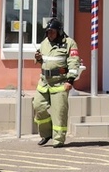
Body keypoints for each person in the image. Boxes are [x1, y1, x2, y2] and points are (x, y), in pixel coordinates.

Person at [33, 16, 81, 147]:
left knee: (59, 113)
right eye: (48, 32)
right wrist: (37, 58)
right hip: (44, 82)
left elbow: (74, 62)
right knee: (38, 106)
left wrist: (70, 81)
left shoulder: (70, 43)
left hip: (60, 83)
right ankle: (46, 134)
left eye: (52, 32)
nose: (50, 34)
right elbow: (42, 60)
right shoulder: (44, 43)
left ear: (59, 31)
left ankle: (58, 139)